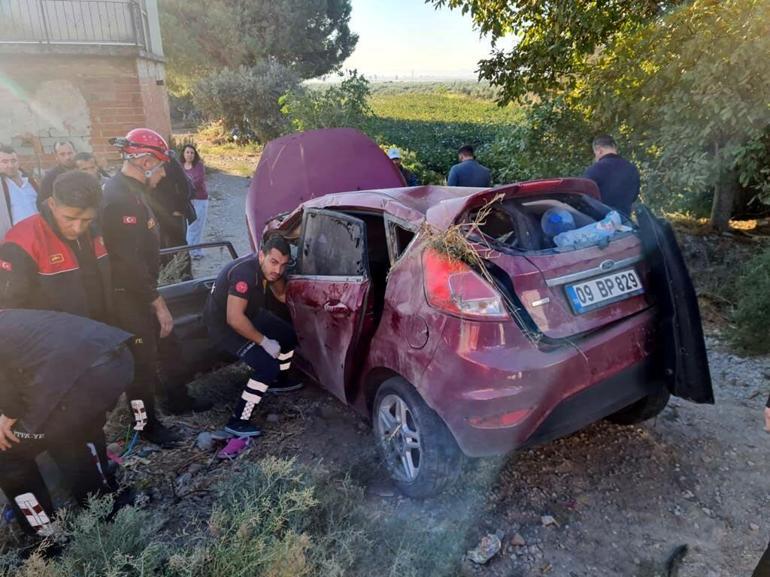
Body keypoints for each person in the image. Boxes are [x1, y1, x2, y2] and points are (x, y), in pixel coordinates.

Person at [102, 128, 207, 448]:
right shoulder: (119, 198)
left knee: (169, 345)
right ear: (145, 161)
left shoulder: (134, 192)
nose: (162, 175)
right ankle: (145, 424)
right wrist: (157, 301)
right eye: (160, 167)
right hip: (129, 296)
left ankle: (176, 397)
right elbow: (126, 264)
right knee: (141, 366)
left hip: (143, 288)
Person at [0, 309, 134, 536]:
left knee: (7, 454)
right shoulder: (10, 317)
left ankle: (45, 536)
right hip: (115, 358)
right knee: (67, 436)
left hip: (85, 375)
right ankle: (102, 506)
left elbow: (11, 397)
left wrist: (8, 415)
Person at [204, 234, 301, 438]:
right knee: (267, 365)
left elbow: (281, 295)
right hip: (225, 325)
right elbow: (234, 319)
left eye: (283, 264)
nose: (278, 269)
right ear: (261, 256)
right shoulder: (245, 275)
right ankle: (238, 420)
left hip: (251, 312)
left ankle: (279, 380)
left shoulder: (272, 271)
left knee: (289, 336)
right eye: (273, 262)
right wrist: (264, 342)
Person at [0, 171, 110, 323]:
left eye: (87, 220)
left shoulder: (99, 229)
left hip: (104, 331)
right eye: (69, 218)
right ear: (52, 204)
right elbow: (11, 308)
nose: (77, 228)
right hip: (55, 338)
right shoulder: (22, 241)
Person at [583, 134, 640, 218]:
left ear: (599, 150)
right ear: (614, 148)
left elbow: (583, 197)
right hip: (626, 223)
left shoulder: (595, 169)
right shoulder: (632, 169)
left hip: (600, 224)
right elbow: (634, 197)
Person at [0, 144, 39, 238]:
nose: (10, 165)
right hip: (17, 238)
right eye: (4, 162)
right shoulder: (2, 186)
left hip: (39, 233)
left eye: (13, 161)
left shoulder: (30, 181)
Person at [181, 144, 208, 258]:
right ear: (183, 153)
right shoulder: (180, 166)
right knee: (188, 226)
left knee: (197, 226)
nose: (189, 155)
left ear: (195, 154)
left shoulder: (199, 166)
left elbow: (198, 181)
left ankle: (194, 251)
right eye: (187, 152)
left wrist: (184, 186)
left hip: (200, 199)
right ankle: (191, 251)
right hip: (186, 201)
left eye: (192, 152)